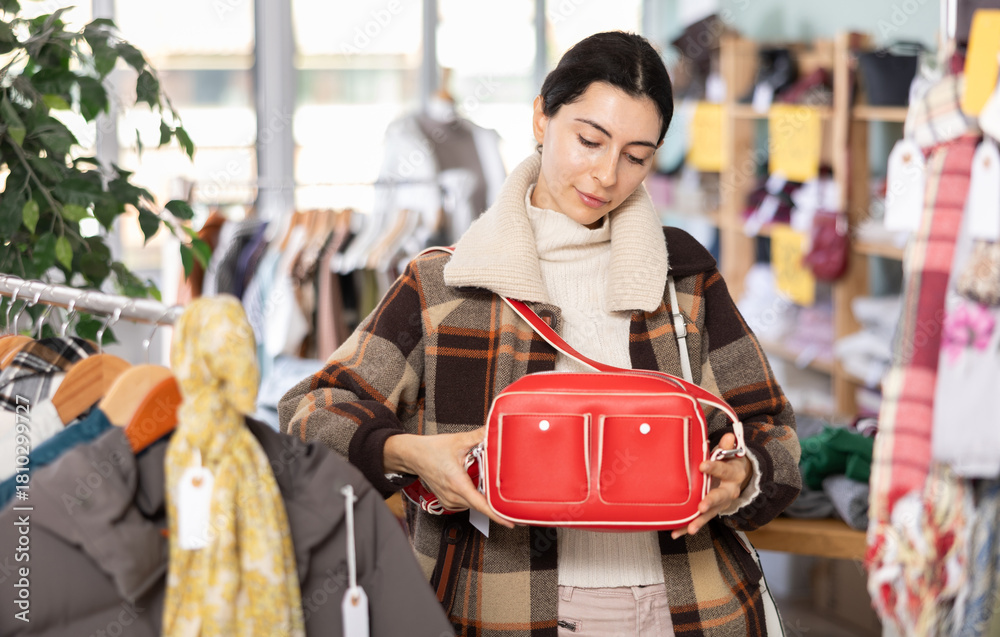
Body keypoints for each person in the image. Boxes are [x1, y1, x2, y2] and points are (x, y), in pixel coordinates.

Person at [279, 30, 801, 636]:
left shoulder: (681, 273)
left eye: (636, 156)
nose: (606, 174)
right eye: (589, 140)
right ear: (540, 116)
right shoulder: (447, 282)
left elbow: (778, 437)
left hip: (695, 612)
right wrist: (412, 455)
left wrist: (740, 474)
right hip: (500, 614)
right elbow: (308, 412)